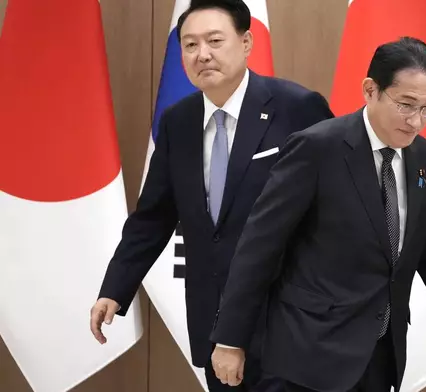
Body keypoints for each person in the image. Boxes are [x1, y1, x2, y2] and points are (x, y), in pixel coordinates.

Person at [208, 37, 426, 392]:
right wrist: (230, 339)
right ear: (370, 90)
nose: (416, 121)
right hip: (306, 356)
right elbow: (259, 247)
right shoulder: (317, 148)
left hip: (380, 357)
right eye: (406, 105)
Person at [89, 1, 333, 390]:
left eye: (215, 40)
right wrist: (115, 289)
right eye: (189, 45)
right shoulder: (178, 122)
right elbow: (153, 217)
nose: (202, 54)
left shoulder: (297, 109)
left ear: (247, 42)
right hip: (213, 325)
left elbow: (337, 208)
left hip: (290, 324)